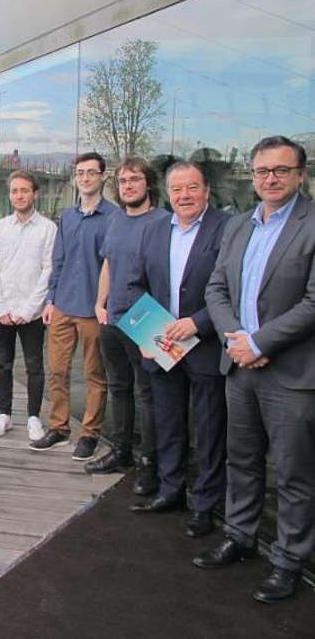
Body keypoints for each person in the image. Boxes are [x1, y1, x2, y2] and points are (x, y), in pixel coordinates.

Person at [196, 136, 315, 604]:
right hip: (239, 364)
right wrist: (236, 339)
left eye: (281, 171)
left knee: (292, 473)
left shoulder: (311, 225)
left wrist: (261, 341)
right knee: (241, 460)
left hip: (291, 371)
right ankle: (240, 536)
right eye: (263, 170)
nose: (270, 178)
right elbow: (216, 288)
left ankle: (288, 560)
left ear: (300, 175)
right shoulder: (240, 225)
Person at [130, 162, 230, 538]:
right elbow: (135, 284)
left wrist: (200, 323)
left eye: (191, 188)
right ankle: (171, 491)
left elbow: (232, 287)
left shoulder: (227, 227)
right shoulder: (154, 228)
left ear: (206, 190)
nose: (184, 196)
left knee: (208, 429)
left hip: (203, 346)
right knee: (169, 424)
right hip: (162, 345)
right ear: (167, 193)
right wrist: (148, 336)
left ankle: (204, 505)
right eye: (177, 189)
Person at [85, 157, 167, 496]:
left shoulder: (163, 222)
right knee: (119, 386)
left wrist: (159, 332)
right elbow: (108, 263)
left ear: (148, 183)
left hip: (147, 319)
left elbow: (167, 278)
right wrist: (99, 303)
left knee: (149, 394)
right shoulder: (116, 220)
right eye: (122, 181)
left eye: (135, 179)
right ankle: (121, 452)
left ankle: (150, 464)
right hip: (113, 318)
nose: (128, 185)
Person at [33, 152, 115, 459]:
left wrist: (104, 303)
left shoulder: (113, 217)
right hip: (64, 305)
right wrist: (51, 299)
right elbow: (59, 260)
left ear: (103, 177)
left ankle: (90, 434)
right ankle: (59, 427)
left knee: (95, 374)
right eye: (80, 173)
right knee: (57, 370)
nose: (85, 178)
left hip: (94, 309)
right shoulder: (67, 216)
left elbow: (112, 264)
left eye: (92, 172)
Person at [0, 170, 56, 439]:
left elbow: (48, 272)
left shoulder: (48, 229)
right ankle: (4, 414)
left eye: (24, 190)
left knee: (34, 365)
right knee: (3, 363)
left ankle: (33, 417)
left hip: (32, 314)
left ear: (34, 194)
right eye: (14, 191)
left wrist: (28, 310)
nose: (19, 195)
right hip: (2, 311)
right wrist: (0, 307)